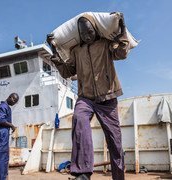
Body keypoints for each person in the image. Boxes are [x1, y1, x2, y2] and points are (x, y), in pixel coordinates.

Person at [48, 13, 129, 180]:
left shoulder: (106, 44)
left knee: (115, 140)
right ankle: (83, 172)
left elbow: (122, 54)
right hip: (86, 98)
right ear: (79, 34)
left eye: (90, 31)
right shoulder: (76, 51)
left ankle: (119, 176)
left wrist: (122, 29)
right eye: (84, 33)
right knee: (79, 119)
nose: (88, 35)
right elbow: (67, 72)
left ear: (95, 30)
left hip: (108, 97)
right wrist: (54, 51)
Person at [0, 93, 19, 180]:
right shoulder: (3, 106)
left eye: (16, 101)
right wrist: (11, 125)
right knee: (1, 158)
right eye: (14, 99)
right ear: (9, 97)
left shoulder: (6, 107)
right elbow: (1, 120)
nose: (14, 102)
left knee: (0, 158)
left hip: (2, 133)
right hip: (1, 133)